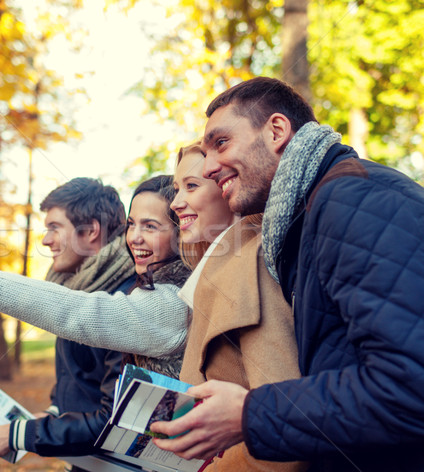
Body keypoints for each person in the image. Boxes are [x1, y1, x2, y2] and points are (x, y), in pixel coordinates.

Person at [150, 76, 424, 471]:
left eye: (221, 143)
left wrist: (248, 414)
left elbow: (409, 384)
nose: (210, 167)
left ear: (277, 130)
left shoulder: (352, 199)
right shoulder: (304, 220)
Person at [0, 175, 192, 462]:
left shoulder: (146, 300)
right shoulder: (85, 286)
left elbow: (78, 317)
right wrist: (43, 418)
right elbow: (76, 387)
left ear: (91, 231)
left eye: (149, 226)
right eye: (131, 225)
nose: (133, 237)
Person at [172, 142, 306, 472]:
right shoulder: (219, 267)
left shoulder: (250, 262)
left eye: (191, 186)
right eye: (176, 189)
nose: (175, 203)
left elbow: (283, 426)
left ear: (228, 187)